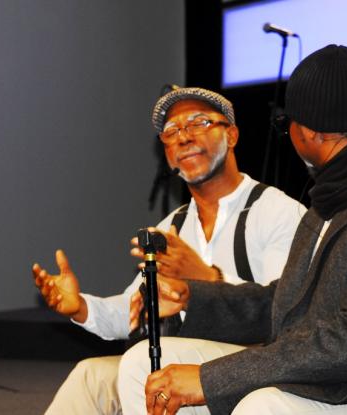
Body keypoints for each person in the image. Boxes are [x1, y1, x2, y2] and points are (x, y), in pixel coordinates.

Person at [117, 45, 347, 415]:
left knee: (264, 405)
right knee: (144, 367)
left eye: (287, 124)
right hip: (324, 373)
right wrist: (192, 296)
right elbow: (285, 304)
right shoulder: (332, 200)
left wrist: (209, 378)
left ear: (309, 131)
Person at [32, 87, 305, 414]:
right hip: (188, 355)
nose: (184, 137)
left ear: (231, 135)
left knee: (146, 362)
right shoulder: (171, 227)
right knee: (90, 375)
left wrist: (207, 279)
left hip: (257, 361)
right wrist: (81, 307)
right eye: (172, 131)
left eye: (199, 123)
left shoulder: (278, 211)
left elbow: (285, 311)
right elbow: (132, 310)